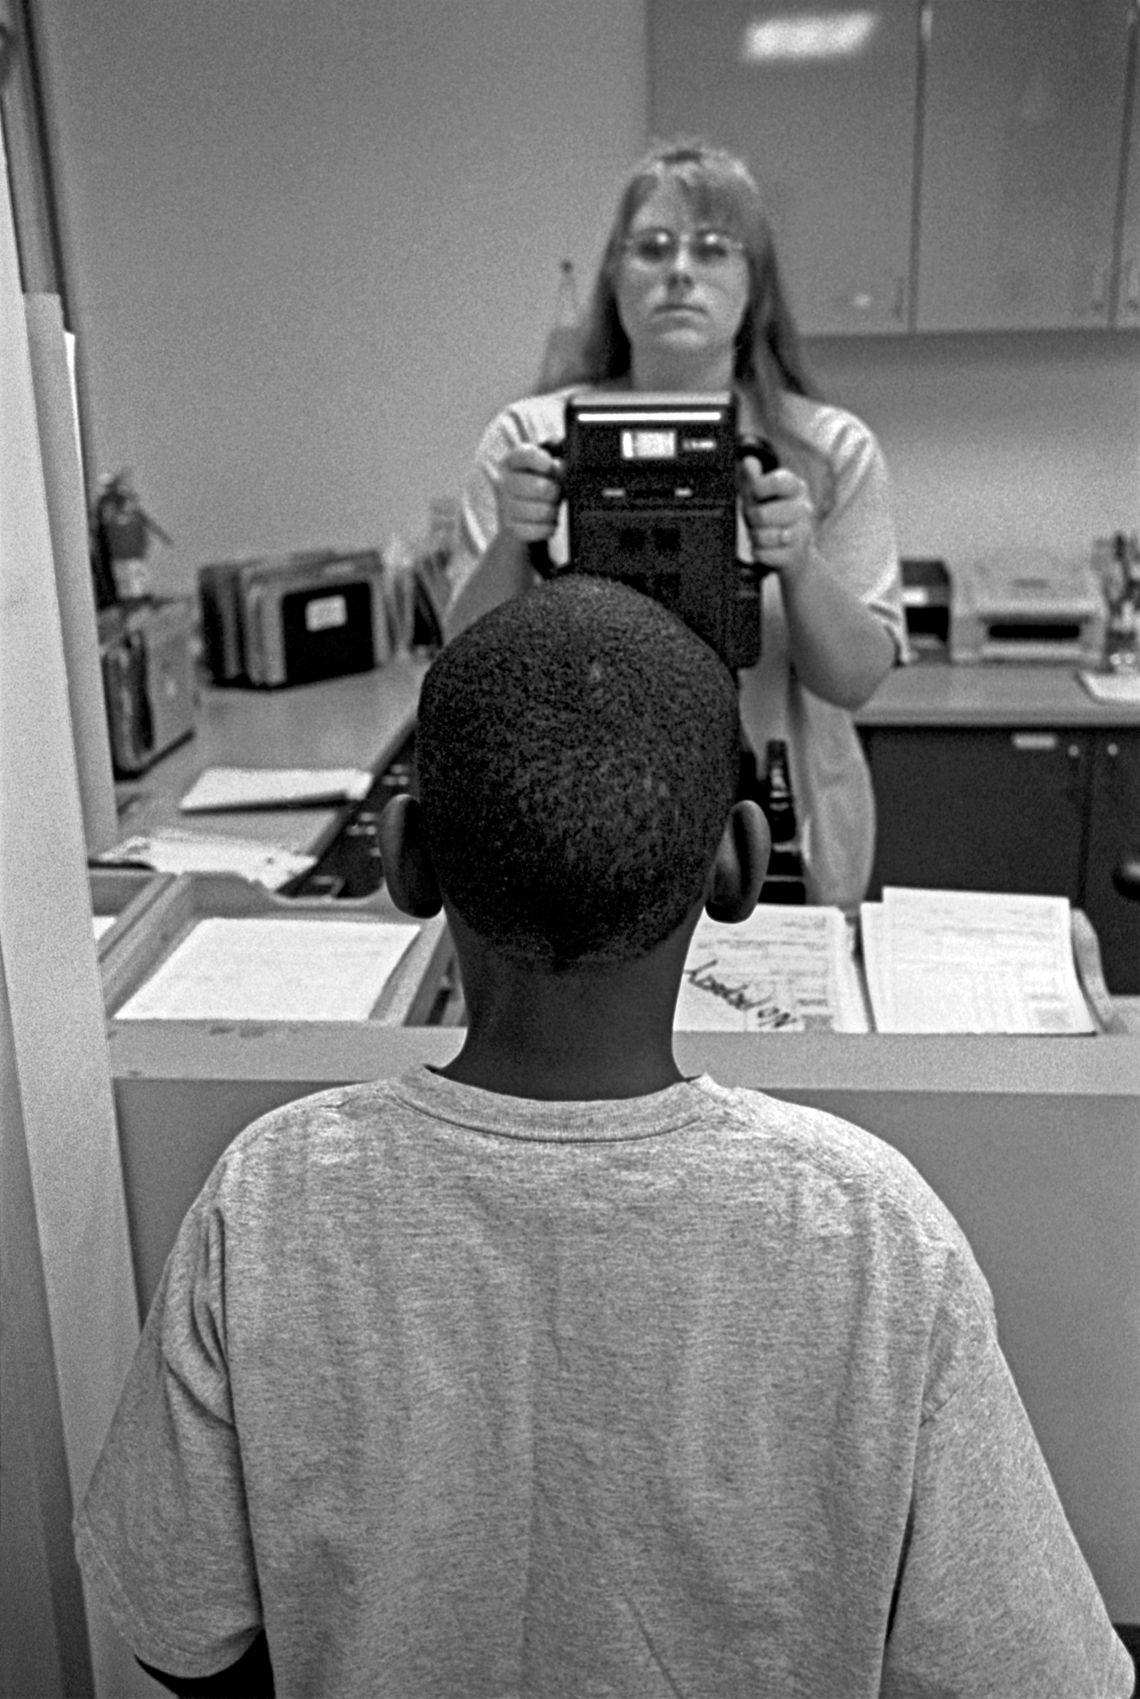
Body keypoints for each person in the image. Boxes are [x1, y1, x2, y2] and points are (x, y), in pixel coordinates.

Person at [74, 576, 1132, 1698]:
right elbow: (1033, 1675)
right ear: (738, 863)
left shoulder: (269, 1196)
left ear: (405, 859)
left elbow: (180, 1630)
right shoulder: (872, 1234)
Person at [446, 136, 906, 912]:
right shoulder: (527, 442)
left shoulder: (828, 453)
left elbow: (856, 679)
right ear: (614, 281)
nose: (680, 270)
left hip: (774, 839)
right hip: (572, 839)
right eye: (652, 248)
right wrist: (513, 544)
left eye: (714, 249)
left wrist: (796, 561)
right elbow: (464, 668)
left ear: (754, 285)